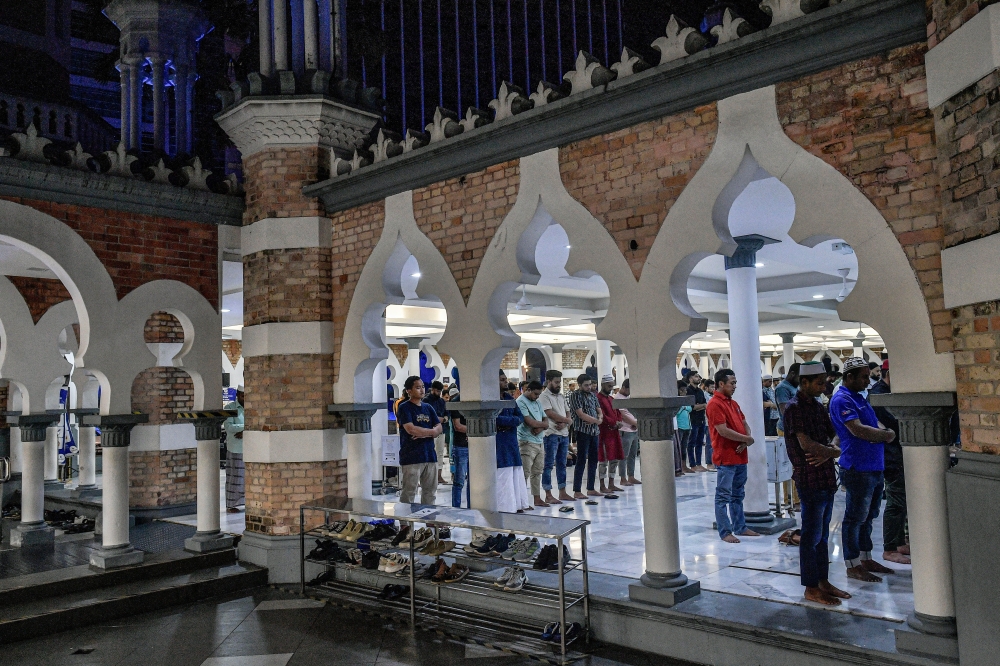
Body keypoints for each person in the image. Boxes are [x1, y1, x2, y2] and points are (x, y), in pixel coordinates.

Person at [782, 361, 852, 606]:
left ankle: (823, 581)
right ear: (805, 382)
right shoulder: (794, 408)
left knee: (822, 536)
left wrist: (830, 450)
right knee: (811, 536)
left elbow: (836, 433)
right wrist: (832, 452)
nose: (824, 387)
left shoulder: (816, 406)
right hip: (809, 479)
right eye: (820, 383)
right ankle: (810, 587)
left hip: (825, 477)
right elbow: (806, 445)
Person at [829, 357, 897, 582]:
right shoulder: (842, 399)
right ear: (849, 377)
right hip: (858, 467)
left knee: (869, 516)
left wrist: (884, 432)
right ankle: (852, 564)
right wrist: (887, 435)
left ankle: (865, 558)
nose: (869, 381)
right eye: (864, 377)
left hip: (874, 465)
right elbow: (857, 430)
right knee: (855, 518)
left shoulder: (859, 397)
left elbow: (874, 423)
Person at [707, 369, 760, 543]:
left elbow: (744, 423)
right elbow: (722, 431)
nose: (735, 386)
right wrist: (746, 439)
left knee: (738, 494)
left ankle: (740, 527)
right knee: (723, 496)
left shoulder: (733, 403)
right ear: (721, 383)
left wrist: (747, 439)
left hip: (740, 456)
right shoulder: (715, 404)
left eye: (735, 383)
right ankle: (725, 531)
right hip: (726, 457)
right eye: (732, 383)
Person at [868, 360, 909, 564]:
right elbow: (894, 425)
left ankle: (899, 542)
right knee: (895, 501)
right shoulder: (878, 395)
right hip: (889, 456)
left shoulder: (886, 392)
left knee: (901, 500)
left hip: (895, 454)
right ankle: (890, 548)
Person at [396, 376, 442, 505]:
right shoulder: (404, 407)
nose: (422, 390)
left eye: (422, 387)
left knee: (430, 493)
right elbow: (411, 429)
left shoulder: (428, 407)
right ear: (409, 391)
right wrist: (431, 432)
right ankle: (406, 518)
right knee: (409, 493)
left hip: (429, 455)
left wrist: (426, 433)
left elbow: (439, 427)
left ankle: (429, 517)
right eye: (417, 387)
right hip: (412, 456)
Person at [496, 371, 530, 512]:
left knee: (515, 473)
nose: (505, 381)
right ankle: (506, 507)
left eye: (505, 379)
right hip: (499, 443)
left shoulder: (509, 398)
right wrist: (511, 421)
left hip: (511, 441)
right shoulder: (491, 399)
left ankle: (517, 504)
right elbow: (493, 419)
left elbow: (520, 417)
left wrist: (511, 421)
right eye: (502, 379)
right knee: (504, 475)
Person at [539, 370, 573, 503]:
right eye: (556, 382)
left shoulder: (561, 396)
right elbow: (549, 413)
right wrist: (567, 421)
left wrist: (566, 422)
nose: (559, 385)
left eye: (559, 382)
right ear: (549, 381)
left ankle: (562, 492)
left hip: (563, 434)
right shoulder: (544, 396)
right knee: (548, 465)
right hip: (551, 434)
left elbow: (568, 412)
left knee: (562, 464)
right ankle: (548, 494)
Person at [569, 374, 603, 501]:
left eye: (590, 384)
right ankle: (577, 490)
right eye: (586, 385)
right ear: (579, 385)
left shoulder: (593, 395)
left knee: (594, 459)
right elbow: (580, 414)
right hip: (582, 431)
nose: (589, 387)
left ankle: (591, 488)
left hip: (594, 431)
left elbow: (599, 410)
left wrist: (599, 419)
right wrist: (596, 420)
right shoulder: (575, 395)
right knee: (581, 460)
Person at [516, 380, 549, 507]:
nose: (537, 397)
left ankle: (537, 498)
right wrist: (543, 425)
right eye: (535, 394)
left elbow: (545, 420)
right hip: (526, 442)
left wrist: (541, 427)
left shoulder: (537, 402)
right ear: (528, 390)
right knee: (524, 473)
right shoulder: (520, 402)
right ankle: (521, 501)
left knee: (537, 471)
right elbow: (529, 422)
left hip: (539, 441)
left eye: (539, 394)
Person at [596, 375, 625, 495]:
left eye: (612, 386)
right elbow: (601, 415)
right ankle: (602, 485)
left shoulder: (611, 399)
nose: (611, 388)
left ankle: (611, 483)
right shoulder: (598, 398)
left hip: (614, 432)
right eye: (609, 386)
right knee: (603, 459)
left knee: (614, 458)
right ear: (603, 385)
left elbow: (618, 412)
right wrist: (613, 422)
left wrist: (619, 421)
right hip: (604, 433)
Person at [223, 385, 245, 513]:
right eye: (242, 396)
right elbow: (229, 427)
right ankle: (231, 505)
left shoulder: (253, 407)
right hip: (236, 448)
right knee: (235, 478)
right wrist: (247, 427)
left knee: (247, 479)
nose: (245, 399)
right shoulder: (230, 408)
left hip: (251, 449)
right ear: (237, 395)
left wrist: (244, 430)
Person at [614, 379, 640, 485]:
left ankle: (631, 476)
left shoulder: (628, 398)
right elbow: (623, 415)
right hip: (625, 430)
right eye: (629, 390)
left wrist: (636, 423)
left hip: (634, 429)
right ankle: (623, 478)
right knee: (624, 455)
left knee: (632, 455)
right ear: (624, 388)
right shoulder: (618, 398)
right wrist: (635, 423)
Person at [448, 387, 470, 508]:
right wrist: (474, 431)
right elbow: (458, 426)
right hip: (461, 446)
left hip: (474, 446)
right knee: (459, 480)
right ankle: (456, 507)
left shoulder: (473, 400)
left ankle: (472, 506)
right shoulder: (455, 402)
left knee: (473, 482)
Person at [426, 381, 449, 484]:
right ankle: (429, 477)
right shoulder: (426, 401)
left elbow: (446, 414)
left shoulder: (441, 401)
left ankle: (439, 476)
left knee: (440, 453)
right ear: (432, 389)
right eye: (437, 391)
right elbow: (427, 416)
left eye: (440, 391)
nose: (439, 393)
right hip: (430, 431)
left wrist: (444, 419)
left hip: (441, 430)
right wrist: (437, 419)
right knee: (430, 452)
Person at [686, 372, 708, 471]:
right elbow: (692, 407)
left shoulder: (700, 391)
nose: (698, 378)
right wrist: (701, 406)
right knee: (691, 443)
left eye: (699, 376)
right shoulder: (688, 391)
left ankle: (699, 463)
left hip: (701, 419)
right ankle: (693, 464)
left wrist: (700, 406)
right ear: (690, 379)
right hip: (692, 420)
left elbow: (705, 404)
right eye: (696, 376)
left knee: (699, 442)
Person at [775, 363, 800, 435]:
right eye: (800, 377)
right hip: (786, 429)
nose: (801, 380)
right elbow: (785, 412)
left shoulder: (795, 386)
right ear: (792, 374)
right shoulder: (782, 388)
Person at [675, 380, 694, 472]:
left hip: (687, 426)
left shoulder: (685, 400)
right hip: (680, 427)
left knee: (684, 447)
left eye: (685, 390)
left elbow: (690, 408)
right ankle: (679, 467)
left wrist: (684, 407)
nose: (685, 392)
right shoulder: (676, 400)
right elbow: (677, 412)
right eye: (682, 390)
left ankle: (684, 465)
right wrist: (684, 407)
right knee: (678, 447)